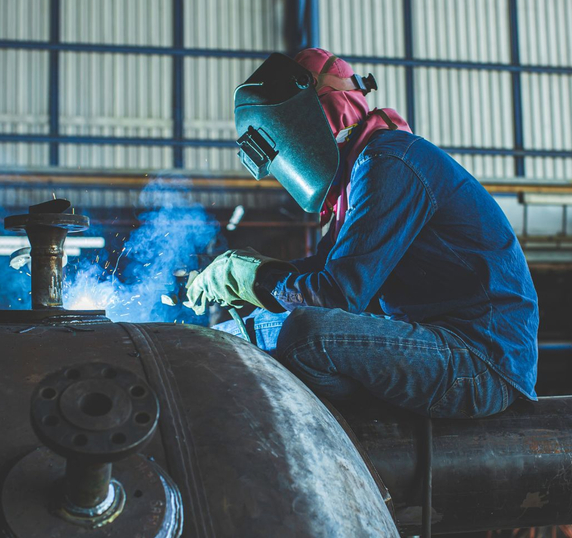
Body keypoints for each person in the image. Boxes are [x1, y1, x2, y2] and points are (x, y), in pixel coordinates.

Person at [186, 48, 539, 419]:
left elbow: (334, 295)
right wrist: (239, 283)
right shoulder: (356, 183)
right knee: (234, 334)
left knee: (305, 335)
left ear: (311, 117)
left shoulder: (389, 161)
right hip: (436, 345)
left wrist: (252, 277)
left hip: (481, 359)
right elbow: (318, 276)